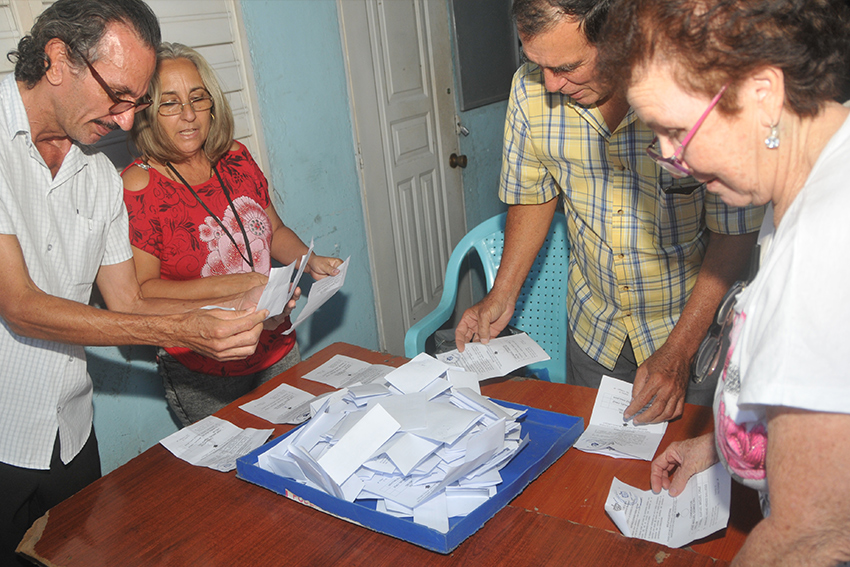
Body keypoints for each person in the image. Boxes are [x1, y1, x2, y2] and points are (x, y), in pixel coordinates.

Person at [0, 1, 274, 564]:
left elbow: (126, 301)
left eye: (137, 102)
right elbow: (22, 306)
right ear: (58, 59)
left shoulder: (97, 175)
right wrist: (185, 328)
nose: (127, 120)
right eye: (118, 95)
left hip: (70, 428)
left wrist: (228, 304)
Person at [598, 0, 850, 563]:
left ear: (762, 92)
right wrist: (720, 444)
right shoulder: (809, 175)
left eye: (676, 130)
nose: (670, 158)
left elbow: (812, 537)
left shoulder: (827, 240)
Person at [454, 0, 765, 423]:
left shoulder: (690, 95)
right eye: (538, 64)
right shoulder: (529, 90)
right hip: (594, 329)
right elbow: (532, 194)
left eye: (566, 67)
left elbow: (736, 231)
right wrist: (501, 295)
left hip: (689, 328)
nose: (550, 84)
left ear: (618, 36)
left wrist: (678, 350)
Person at [123, 42, 343, 426]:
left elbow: (273, 229)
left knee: (299, 445)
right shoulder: (138, 186)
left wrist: (308, 263)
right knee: (231, 478)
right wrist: (236, 285)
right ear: (146, 112)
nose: (189, 115)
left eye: (197, 98)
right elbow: (143, 291)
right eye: (170, 103)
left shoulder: (235, 157)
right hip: (202, 365)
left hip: (275, 344)